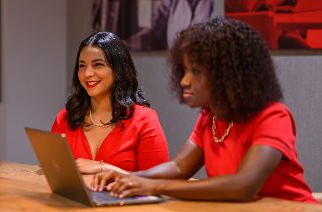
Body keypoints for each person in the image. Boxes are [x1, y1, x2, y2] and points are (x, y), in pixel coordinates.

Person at [90, 17, 319, 204]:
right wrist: (128, 178)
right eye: (186, 70)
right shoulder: (210, 115)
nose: (184, 81)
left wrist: (153, 186)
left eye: (196, 71)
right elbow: (179, 167)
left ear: (228, 73)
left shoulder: (273, 116)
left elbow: (243, 186)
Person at [51, 31, 169, 175]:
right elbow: (54, 174)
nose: (87, 73)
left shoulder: (144, 120)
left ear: (118, 69)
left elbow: (159, 183)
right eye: (82, 66)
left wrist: (106, 168)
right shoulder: (65, 119)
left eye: (98, 64)